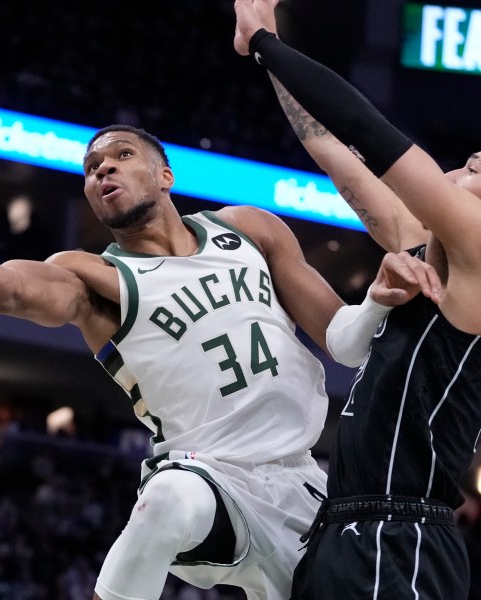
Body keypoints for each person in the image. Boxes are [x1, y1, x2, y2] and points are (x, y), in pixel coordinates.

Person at [0, 123, 438, 600]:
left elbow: (345, 342)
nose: (103, 169)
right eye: (92, 166)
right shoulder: (93, 277)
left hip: (305, 481)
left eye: (121, 155)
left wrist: (374, 300)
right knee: (169, 501)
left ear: (166, 176)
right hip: (209, 475)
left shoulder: (250, 230)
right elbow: (4, 288)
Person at [234, 1, 481, 598]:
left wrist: (266, 40)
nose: (466, 163)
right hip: (345, 527)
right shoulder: (422, 243)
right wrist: (262, 40)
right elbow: (332, 148)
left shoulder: (478, 247)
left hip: (402, 535)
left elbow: (371, 132)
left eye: (478, 167)